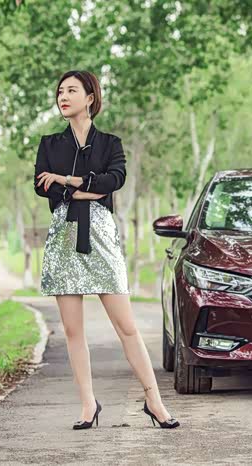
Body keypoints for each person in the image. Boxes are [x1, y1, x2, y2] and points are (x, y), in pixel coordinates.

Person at [33, 70, 179, 430]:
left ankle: (154, 400)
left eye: (71, 90)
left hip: (101, 236)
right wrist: (87, 187)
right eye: (60, 91)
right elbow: (42, 186)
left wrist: (66, 181)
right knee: (72, 330)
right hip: (64, 237)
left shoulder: (110, 143)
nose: (63, 96)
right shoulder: (50, 144)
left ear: (90, 98)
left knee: (127, 326)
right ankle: (88, 404)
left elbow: (114, 181)